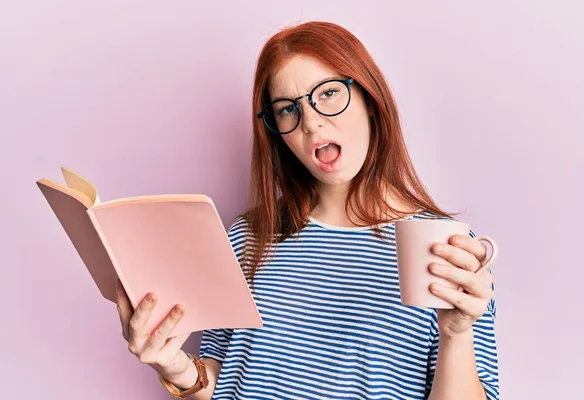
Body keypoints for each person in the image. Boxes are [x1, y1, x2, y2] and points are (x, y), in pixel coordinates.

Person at [115, 21, 499, 400]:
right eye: (287, 109)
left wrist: (456, 334)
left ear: (369, 99)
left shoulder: (443, 246)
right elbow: (221, 376)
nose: (311, 122)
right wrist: (175, 368)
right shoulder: (249, 236)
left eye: (329, 93)